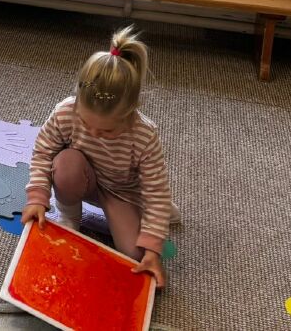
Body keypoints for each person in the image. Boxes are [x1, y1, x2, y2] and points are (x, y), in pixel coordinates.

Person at [21, 27, 177, 289]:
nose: (94, 133)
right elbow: (42, 153)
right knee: (65, 162)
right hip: (83, 178)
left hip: (122, 193)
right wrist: (37, 197)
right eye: (86, 123)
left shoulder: (144, 135)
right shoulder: (65, 112)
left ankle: (143, 215)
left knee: (135, 255)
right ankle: (70, 217)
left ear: (130, 113)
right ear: (78, 101)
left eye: (106, 131)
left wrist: (152, 248)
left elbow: (156, 193)